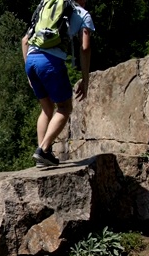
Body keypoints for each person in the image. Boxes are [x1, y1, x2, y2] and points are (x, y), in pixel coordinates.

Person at [22, 0, 95, 167]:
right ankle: (43, 149)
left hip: (31, 60)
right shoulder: (83, 14)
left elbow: (25, 40)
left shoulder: (47, 5)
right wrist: (85, 79)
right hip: (50, 62)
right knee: (64, 108)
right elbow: (85, 48)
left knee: (47, 108)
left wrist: (29, 72)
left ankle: (43, 158)